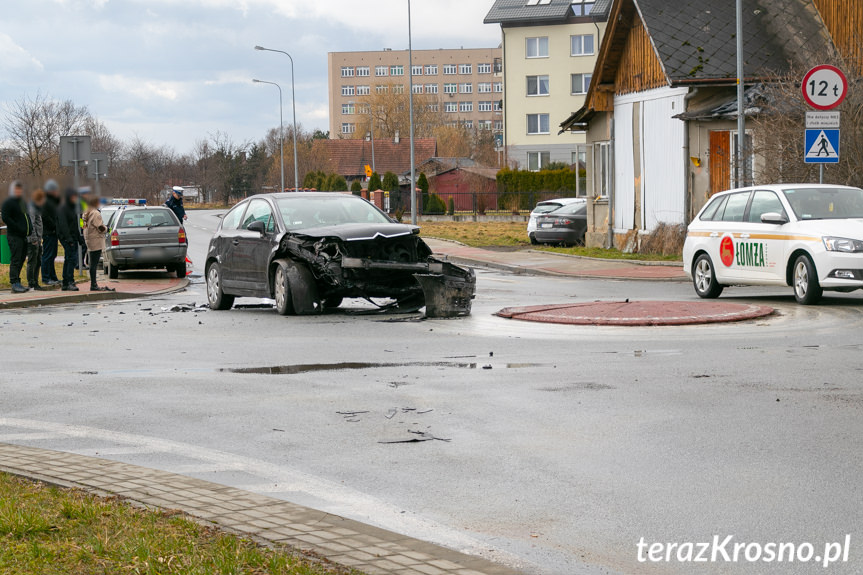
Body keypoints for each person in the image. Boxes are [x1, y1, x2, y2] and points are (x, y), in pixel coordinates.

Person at [1, 181, 32, 293]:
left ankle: (18, 281)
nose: (18, 191)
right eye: (16, 189)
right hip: (14, 236)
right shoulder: (8, 203)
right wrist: (18, 227)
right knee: (16, 259)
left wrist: (30, 229)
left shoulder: (22, 202)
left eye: (20, 189)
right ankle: (14, 283)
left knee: (22, 259)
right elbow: (6, 217)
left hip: (24, 236)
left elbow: (26, 217)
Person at [81, 191, 112, 292]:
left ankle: (93, 284)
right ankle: (94, 285)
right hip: (96, 240)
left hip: (89, 239)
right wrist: (107, 229)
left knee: (91, 263)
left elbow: (83, 226)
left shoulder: (86, 212)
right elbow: (100, 227)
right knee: (94, 264)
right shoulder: (95, 213)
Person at [57, 188, 83, 291]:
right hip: (67, 238)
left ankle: (66, 282)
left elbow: (74, 225)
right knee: (70, 259)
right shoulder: (63, 208)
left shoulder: (72, 208)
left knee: (70, 259)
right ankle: (69, 281)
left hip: (72, 237)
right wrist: (69, 239)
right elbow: (63, 225)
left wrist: (79, 237)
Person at [40, 179, 62, 286]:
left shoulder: (52, 201)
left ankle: (52, 276)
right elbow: (45, 216)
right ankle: (46, 277)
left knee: (52, 255)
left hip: (53, 232)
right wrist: (54, 225)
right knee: (48, 255)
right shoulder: (45, 201)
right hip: (49, 232)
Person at [26, 189, 47, 291]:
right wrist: (34, 238)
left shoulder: (36, 208)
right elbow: (32, 224)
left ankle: (35, 282)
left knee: (38, 261)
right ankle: (31, 283)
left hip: (38, 238)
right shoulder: (32, 208)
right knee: (32, 261)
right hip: (33, 239)